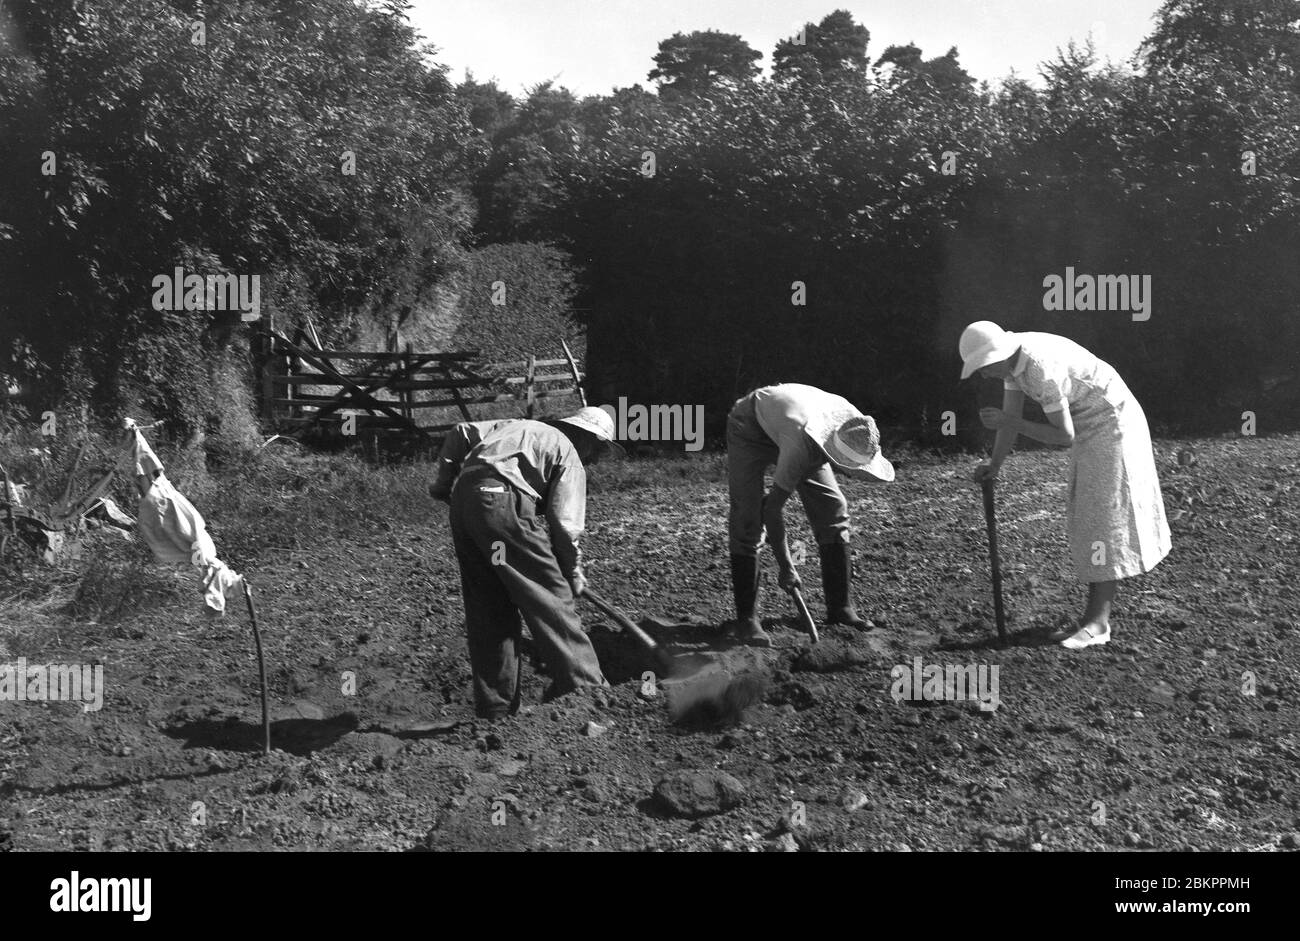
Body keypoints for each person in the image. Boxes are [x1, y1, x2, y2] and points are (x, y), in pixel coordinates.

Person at [958, 321, 1171, 650]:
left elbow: (1062, 437)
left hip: (1112, 423)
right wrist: (995, 464)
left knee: (1100, 519)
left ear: (997, 356)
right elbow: (1012, 414)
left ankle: (1099, 624)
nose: (983, 376)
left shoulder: (1040, 369)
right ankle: (1091, 618)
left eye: (983, 368)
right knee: (1087, 517)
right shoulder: (1013, 364)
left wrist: (1009, 421)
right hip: (1090, 426)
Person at [428, 407, 623, 719]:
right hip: (501, 503)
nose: (597, 459)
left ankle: (496, 709)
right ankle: (591, 696)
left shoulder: (520, 426)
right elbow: (565, 525)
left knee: (491, 607)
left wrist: (443, 483)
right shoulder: (569, 453)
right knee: (552, 599)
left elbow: (461, 431)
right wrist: (571, 572)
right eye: (600, 449)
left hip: (465, 506)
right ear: (589, 438)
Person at [726, 383, 895, 647]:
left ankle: (841, 609)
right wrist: (786, 567)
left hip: (799, 424)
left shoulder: (854, 425)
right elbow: (772, 510)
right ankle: (747, 620)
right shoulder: (800, 445)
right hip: (750, 426)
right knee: (748, 517)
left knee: (833, 507)